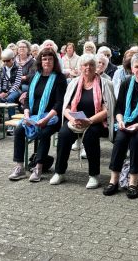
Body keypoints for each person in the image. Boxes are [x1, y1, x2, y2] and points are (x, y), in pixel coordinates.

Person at [50, 54, 115, 188]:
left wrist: (89, 121)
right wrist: (73, 119)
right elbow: (65, 107)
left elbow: (107, 110)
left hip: (96, 122)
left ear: (96, 66)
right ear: (80, 67)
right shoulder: (73, 83)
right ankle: (59, 172)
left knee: (90, 136)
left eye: (91, 64)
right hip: (76, 121)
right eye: (85, 65)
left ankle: (93, 175)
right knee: (63, 134)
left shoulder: (105, 84)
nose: (88, 67)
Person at [103, 53, 138, 199]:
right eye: (137, 67)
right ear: (132, 69)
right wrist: (120, 120)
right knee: (120, 140)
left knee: (136, 141)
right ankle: (114, 180)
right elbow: (118, 107)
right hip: (127, 122)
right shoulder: (126, 83)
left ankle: (133, 181)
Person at [8, 48, 67, 182]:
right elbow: (28, 98)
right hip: (33, 116)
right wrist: (27, 114)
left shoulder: (59, 78)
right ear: (40, 61)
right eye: (44, 59)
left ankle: (38, 167)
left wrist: (46, 119)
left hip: (52, 118)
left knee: (44, 133)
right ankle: (19, 167)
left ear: (54, 61)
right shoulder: (35, 76)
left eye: (50, 59)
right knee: (18, 130)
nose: (47, 61)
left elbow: (59, 104)